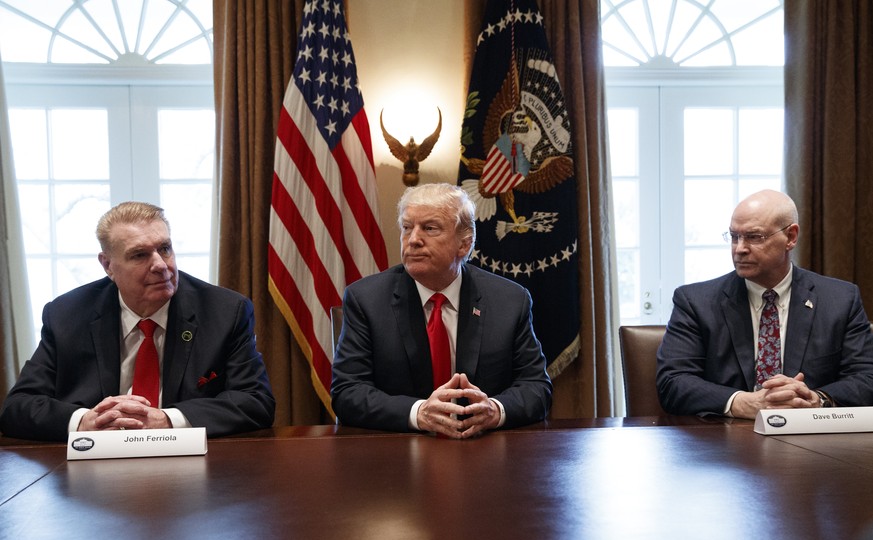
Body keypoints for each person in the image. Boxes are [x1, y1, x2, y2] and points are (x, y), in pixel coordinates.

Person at [0, 201, 275, 441]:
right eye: (140, 255)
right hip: (94, 471)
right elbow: (17, 407)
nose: (160, 264)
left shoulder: (225, 311)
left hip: (192, 466)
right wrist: (85, 422)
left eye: (164, 248)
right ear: (107, 265)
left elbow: (255, 401)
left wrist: (166, 421)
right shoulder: (67, 314)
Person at [331, 182, 552, 438]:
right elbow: (347, 392)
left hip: (482, 451)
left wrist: (494, 410)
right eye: (406, 228)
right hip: (397, 455)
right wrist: (419, 412)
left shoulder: (509, 300)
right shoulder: (366, 300)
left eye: (429, 228)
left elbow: (536, 387)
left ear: (464, 244)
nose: (413, 240)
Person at [657, 189, 873, 418]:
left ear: (791, 237)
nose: (739, 248)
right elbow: (672, 382)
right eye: (734, 236)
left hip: (813, 440)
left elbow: (867, 378)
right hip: (724, 441)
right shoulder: (695, 302)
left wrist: (816, 400)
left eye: (754, 237)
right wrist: (742, 402)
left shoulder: (840, 299)